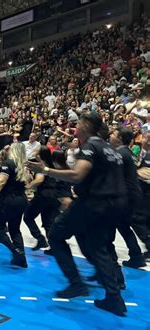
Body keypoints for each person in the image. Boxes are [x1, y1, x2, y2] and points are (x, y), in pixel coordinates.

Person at [27, 112, 128, 316]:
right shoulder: (110, 148)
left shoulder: (90, 145)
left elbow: (77, 174)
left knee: (55, 235)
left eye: (78, 123)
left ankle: (76, 283)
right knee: (98, 246)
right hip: (115, 204)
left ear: (86, 126)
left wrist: (45, 169)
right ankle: (114, 297)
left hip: (93, 203)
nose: (75, 127)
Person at [0, 143, 29, 268]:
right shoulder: (23, 166)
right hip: (21, 200)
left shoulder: (8, 163)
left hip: (9, 200)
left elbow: (1, 182)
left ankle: (15, 251)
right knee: (15, 229)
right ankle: (22, 259)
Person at [109, 128, 146, 268]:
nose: (111, 135)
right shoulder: (128, 153)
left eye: (113, 134)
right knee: (123, 225)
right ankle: (136, 255)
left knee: (120, 224)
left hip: (127, 195)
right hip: (133, 193)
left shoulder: (119, 154)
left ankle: (135, 256)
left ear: (119, 138)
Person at [24, 146, 60, 251]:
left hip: (44, 194)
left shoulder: (41, 166)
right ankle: (54, 247)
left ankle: (40, 239)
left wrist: (27, 186)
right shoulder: (51, 165)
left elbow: (40, 179)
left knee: (28, 217)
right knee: (48, 221)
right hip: (54, 195)